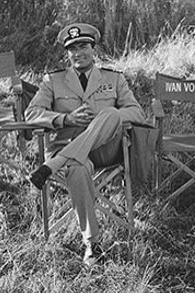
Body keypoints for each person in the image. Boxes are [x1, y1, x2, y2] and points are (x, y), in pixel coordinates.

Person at [25, 23, 145, 265]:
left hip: (105, 150)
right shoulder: (53, 80)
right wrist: (64, 119)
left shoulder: (114, 78)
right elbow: (32, 113)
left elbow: (136, 113)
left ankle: (51, 166)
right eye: (72, 49)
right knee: (77, 168)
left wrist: (104, 120)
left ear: (93, 50)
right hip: (71, 150)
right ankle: (92, 244)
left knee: (110, 114)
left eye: (83, 46)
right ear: (67, 54)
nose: (78, 53)